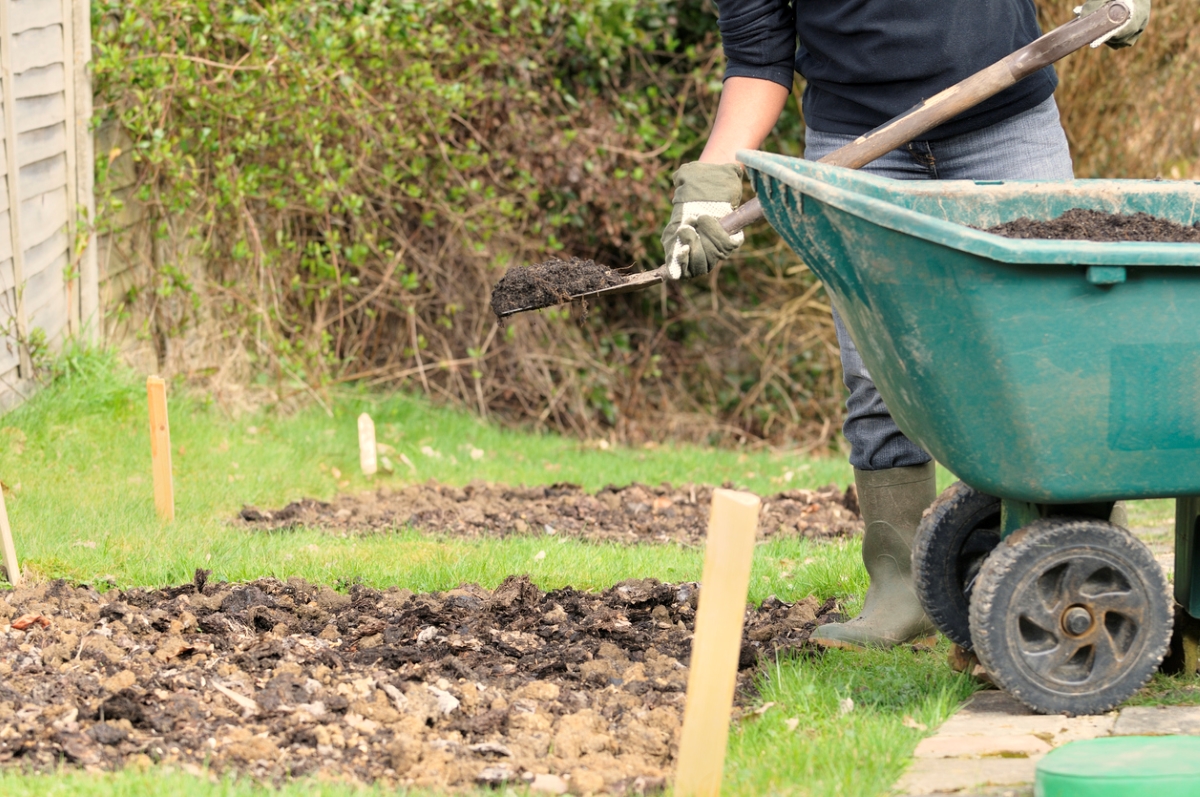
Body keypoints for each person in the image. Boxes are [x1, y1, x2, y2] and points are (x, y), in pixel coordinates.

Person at [660, 0, 1150, 649]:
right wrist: (713, 177)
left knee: (1047, 358)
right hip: (861, 147)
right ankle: (901, 581)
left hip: (1006, 120)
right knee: (877, 367)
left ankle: (1084, 564)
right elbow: (758, 59)